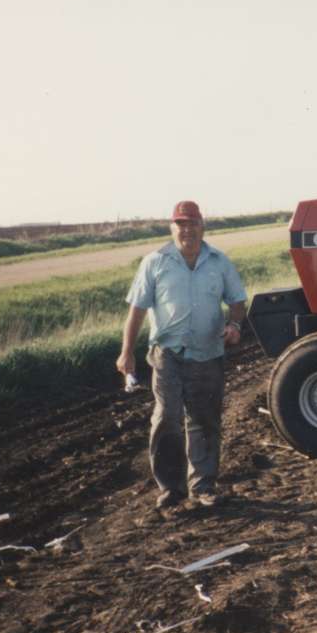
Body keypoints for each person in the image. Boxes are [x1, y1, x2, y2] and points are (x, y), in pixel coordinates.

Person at [116, 200, 247, 509]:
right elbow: (136, 311)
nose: (186, 229)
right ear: (171, 227)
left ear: (202, 225)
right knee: (167, 418)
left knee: (204, 420)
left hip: (208, 353)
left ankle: (203, 487)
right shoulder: (155, 262)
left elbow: (238, 301)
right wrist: (126, 352)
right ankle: (171, 489)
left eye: (192, 223)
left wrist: (235, 325)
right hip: (167, 353)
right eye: (180, 224)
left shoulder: (219, 261)